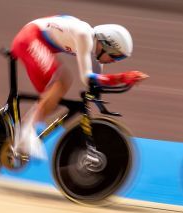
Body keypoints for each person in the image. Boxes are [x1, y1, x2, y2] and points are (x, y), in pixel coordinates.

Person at [9, 15, 147, 159]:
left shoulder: (96, 56)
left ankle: (24, 130)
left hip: (38, 42)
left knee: (51, 102)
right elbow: (87, 78)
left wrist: (120, 83)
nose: (114, 61)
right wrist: (123, 77)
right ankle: (26, 132)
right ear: (106, 45)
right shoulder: (84, 36)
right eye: (116, 56)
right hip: (29, 37)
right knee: (63, 81)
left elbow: (95, 84)